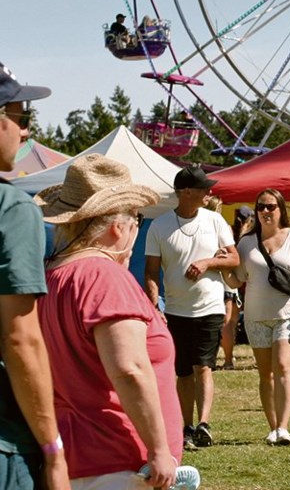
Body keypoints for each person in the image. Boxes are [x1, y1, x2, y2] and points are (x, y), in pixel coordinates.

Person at [35, 154, 180, 489]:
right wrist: (159, 449)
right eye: (137, 220)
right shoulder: (104, 275)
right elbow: (129, 369)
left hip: (70, 457)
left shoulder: (51, 275)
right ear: (119, 227)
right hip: (119, 460)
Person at [0, 63, 69, 490]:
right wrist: (52, 450)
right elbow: (19, 337)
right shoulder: (13, 209)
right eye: (23, 118)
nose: (26, 133)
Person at [144, 165, 239, 450]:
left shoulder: (215, 221)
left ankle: (204, 424)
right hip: (174, 310)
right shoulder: (159, 226)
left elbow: (234, 259)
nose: (209, 192)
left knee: (204, 367)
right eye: (203, 188)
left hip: (210, 307)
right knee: (183, 372)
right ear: (186, 192)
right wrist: (154, 307)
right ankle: (186, 426)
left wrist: (208, 262)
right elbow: (150, 272)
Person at [221, 189, 290, 446]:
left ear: (281, 209)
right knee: (265, 374)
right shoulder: (247, 242)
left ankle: (284, 428)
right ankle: (272, 427)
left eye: (271, 207)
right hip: (255, 317)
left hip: (288, 315)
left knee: (283, 366)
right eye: (260, 207)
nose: (265, 211)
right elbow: (236, 278)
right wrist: (220, 266)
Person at [221, 204, 254, 369]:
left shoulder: (228, 232)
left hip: (226, 282)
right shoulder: (245, 237)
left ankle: (228, 358)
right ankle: (228, 359)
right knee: (229, 322)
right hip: (232, 285)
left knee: (228, 322)